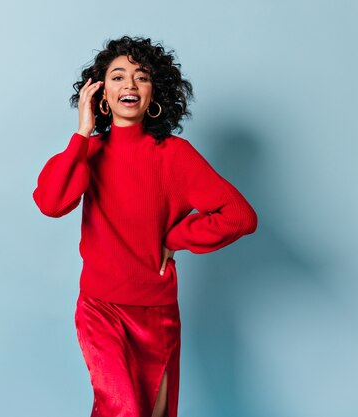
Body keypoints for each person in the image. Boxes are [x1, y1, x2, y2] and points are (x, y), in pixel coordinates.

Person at [32, 35, 257, 417]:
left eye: (142, 77)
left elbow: (239, 216)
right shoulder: (88, 152)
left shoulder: (175, 155)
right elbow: (51, 203)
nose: (130, 85)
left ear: (156, 93)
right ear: (102, 94)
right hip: (101, 309)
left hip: (157, 313)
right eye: (118, 77)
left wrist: (175, 237)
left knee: (153, 412)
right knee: (121, 409)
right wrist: (82, 132)